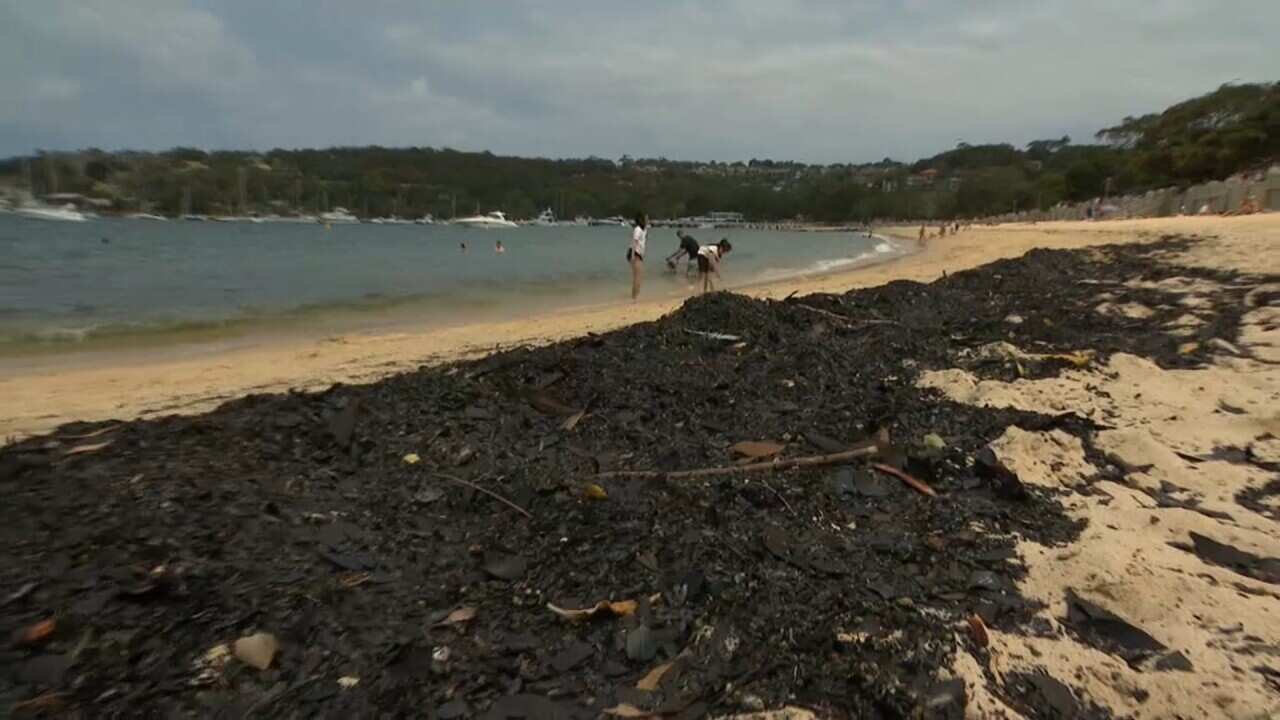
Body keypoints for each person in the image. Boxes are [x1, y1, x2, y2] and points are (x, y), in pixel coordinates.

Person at [628, 212, 648, 300]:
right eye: (646, 218)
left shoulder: (643, 230)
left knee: (639, 276)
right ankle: (634, 297)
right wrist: (632, 256)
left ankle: (635, 295)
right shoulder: (638, 229)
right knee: (637, 276)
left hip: (638, 254)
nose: (648, 220)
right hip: (635, 253)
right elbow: (634, 242)